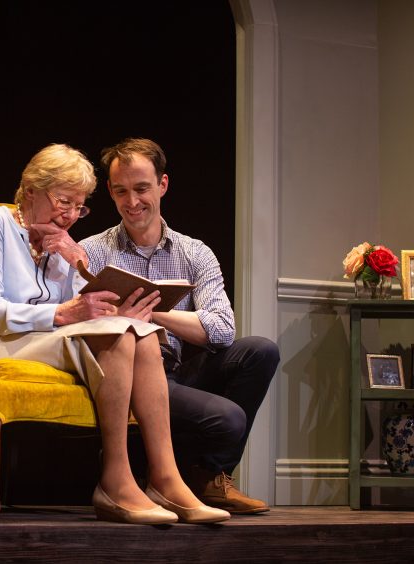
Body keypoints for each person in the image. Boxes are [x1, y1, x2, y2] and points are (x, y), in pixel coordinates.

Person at [0, 143, 229, 525]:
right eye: (63, 202)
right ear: (31, 191)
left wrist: (79, 268)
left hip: (45, 340)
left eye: (79, 207)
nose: (71, 215)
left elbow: (80, 311)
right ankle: (115, 480)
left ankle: (165, 479)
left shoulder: (61, 243)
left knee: (140, 331)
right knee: (119, 334)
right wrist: (62, 313)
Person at [80, 138, 280, 514]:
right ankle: (172, 480)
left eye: (142, 188)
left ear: (163, 185)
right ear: (109, 190)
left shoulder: (194, 252)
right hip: (129, 374)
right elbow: (79, 322)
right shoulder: (92, 251)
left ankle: (211, 478)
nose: (132, 201)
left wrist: (151, 310)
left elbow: (222, 329)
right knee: (229, 419)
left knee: (260, 350)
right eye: (121, 191)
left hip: (176, 369)